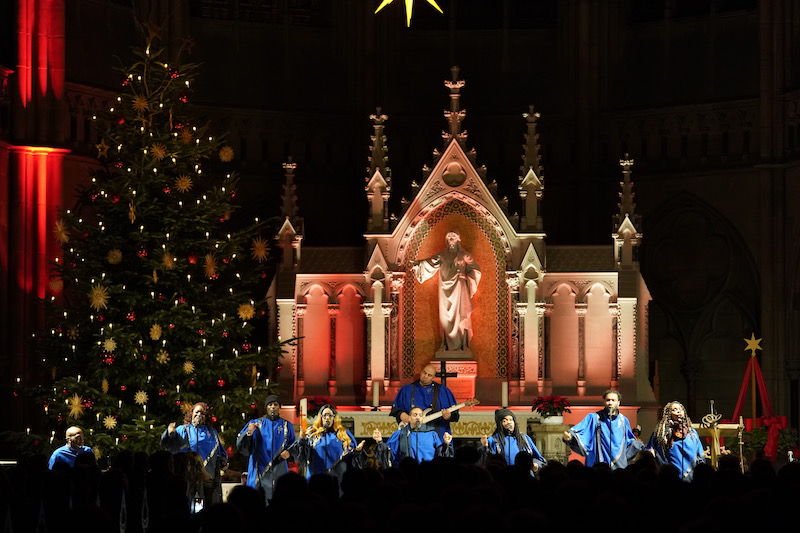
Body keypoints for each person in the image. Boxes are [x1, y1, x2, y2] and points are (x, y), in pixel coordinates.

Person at [412, 230, 481, 351]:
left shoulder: (464, 255)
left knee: (460, 315)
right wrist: (418, 264)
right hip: (444, 290)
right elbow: (430, 263)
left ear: (458, 239)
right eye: (449, 236)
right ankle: (446, 345)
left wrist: (468, 275)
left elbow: (475, 269)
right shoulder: (442, 255)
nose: (451, 238)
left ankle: (463, 346)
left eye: (453, 236)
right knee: (445, 318)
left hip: (460, 288)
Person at [160, 401, 228, 504]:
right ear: (191, 414)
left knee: (208, 507)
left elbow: (221, 453)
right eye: (196, 412)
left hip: (208, 478)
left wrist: (223, 462)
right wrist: (170, 433)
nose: (199, 415)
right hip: (187, 477)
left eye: (202, 413)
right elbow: (169, 445)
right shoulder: (183, 430)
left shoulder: (212, 433)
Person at [561, 389, 642, 470]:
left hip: (619, 466)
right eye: (608, 400)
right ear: (604, 402)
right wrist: (570, 437)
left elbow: (628, 441)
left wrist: (637, 445)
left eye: (613, 400)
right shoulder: (594, 417)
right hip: (598, 464)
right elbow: (580, 431)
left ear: (618, 403)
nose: (610, 403)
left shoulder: (624, 420)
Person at [237, 394, 296, 505]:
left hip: (279, 468)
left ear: (279, 407)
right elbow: (243, 447)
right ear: (266, 407)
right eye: (270, 404)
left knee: (280, 500)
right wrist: (249, 433)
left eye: (275, 404)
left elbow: (294, 446)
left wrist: (290, 453)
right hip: (259, 468)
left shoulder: (287, 426)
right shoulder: (256, 423)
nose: (272, 407)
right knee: (256, 502)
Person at [296, 404, 364, 483]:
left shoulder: (344, 434)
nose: (327, 418)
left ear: (334, 418)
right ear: (321, 417)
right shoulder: (312, 433)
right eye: (325, 415)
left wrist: (357, 451)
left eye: (330, 415)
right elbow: (302, 456)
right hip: (316, 477)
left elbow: (350, 455)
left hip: (337, 478)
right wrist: (302, 439)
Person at [390, 362, 460, 439]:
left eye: (429, 375)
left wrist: (448, 416)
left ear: (433, 377)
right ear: (421, 372)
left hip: (437, 434)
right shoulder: (406, 390)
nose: (425, 376)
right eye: (424, 373)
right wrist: (402, 414)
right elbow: (396, 410)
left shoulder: (443, 391)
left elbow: (455, 415)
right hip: (412, 434)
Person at [646, 400, 706, 481]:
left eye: (680, 409)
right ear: (669, 414)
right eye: (674, 410)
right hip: (670, 478)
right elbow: (651, 451)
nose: (678, 411)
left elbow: (700, 454)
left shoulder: (692, 433)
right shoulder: (662, 433)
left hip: (691, 477)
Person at [378, 406, 454, 465]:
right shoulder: (400, 434)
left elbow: (441, 455)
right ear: (409, 418)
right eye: (415, 415)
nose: (418, 417)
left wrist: (446, 444)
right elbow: (389, 453)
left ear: (423, 418)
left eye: (420, 415)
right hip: (406, 474)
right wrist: (380, 442)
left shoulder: (432, 434)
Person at [481, 408, 546, 473]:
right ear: (499, 424)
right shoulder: (493, 440)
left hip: (525, 477)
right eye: (504, 421)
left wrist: (536, 465)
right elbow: (488, 462)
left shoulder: (524, 438)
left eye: (511, 420)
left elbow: (540, 459)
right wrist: (485, 447)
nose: (509, 422)